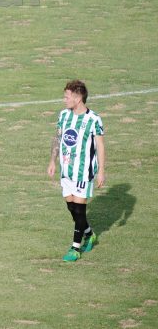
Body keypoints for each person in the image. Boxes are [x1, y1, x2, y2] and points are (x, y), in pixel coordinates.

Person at [47, 80, 106, 262]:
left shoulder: (93, 119)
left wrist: (101, 171)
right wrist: (52, 161)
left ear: (78, 98)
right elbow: (57, 138)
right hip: (66, 169)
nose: (64, 100)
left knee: (79, 210)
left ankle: (75, 248)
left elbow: (100, 147)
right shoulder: (64, 115)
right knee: (71, 207)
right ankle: (89, 233)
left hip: (84, 171)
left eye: (67, 96)